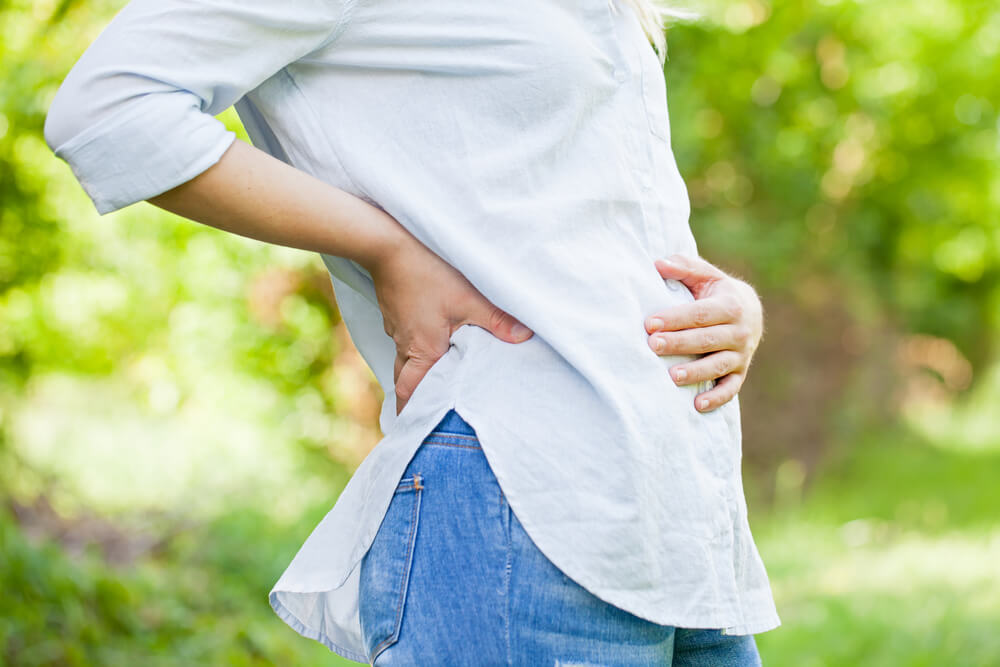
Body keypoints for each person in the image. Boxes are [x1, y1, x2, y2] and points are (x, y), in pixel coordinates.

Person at [44, 0, 781, 663]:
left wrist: (725, 306)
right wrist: (387, 246)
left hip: (681, 517)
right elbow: (109, 107)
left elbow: (571, 206)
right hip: (526, 499)